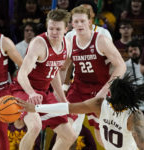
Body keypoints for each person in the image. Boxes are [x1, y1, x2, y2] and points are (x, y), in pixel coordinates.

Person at [17, 75, 144, 150]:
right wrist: (35, 108)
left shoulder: (100, 105)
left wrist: (36, 108)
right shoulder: (134, 115)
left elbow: (67, 107)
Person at [10, 9, 77, 150]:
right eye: (50, 28)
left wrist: (62, 98)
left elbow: (53, 73)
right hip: (23, 89)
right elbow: (22, 74)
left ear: (66, 29)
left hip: (43, 93)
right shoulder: (39, 44)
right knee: (35, 127)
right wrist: (31, 93)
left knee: (69, 136)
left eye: (58, 29)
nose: (53, 32)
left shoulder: (68, 45)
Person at [60, 6, 126, 147]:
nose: (79, 25)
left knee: (102, 138)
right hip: (78, 88)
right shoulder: (70, 40)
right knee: (66, 129)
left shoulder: (101, 39)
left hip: (99, 89)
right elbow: (63, 67)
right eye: (75, 21)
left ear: (90, 22)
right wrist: (61, 88)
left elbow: (121, 66)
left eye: (82, 21)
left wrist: (105, 90)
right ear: (71, 23)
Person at [0, 32, 23, 150]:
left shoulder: (3, 41)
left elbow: (23, 65)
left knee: (1, 132)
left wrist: (18, 87)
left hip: (1, 91)